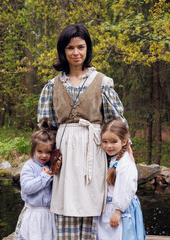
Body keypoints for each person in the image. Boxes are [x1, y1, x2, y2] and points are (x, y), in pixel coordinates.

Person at [37, 24, 128, 239]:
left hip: (93, 148)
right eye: (70, 48)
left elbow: (117, 122)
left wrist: (124, 153)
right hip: (65, 149)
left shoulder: (102, 82)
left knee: (92, 201)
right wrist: (44, 157)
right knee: (65, 202)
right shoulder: (52, 86)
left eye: (81, 47)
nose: (76, 53)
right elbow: (46, 127)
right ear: (63, 51)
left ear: (87, 49)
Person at [97, 119, 145, 240]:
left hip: (120, 209)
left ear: (124, 142)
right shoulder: (111, 159)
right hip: (109, 208)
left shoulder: (125, 163)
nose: (108, 146)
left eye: (114, 142)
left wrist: (118, 211)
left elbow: (127, 188)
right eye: (105, 142)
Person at [14, 122, 57, 240]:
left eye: (48, 152)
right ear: (33, 150)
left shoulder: (51, 166)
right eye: (40, 151)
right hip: (34, 213)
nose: (44, 155)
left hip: (48, 214)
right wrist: (44, 176)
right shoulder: (29, 166)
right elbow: (26, 188)